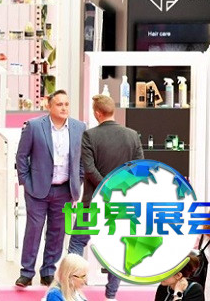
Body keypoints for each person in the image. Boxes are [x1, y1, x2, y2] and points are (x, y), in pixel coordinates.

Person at [68, 94, 143, 300]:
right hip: (121, 202)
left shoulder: (89, 136)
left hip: (92, 201)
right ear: (112, 111)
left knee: (77, 244)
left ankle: (71, 290)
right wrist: (117, 188)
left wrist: (105, 188)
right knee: (116, 249)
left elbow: (89, 168)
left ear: (97, 113)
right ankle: (110, 295)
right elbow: (138, 169)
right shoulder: (132, 135)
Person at [15, 89, 85, 288]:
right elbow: (22, 156)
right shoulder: (35, 126)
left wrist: (78, 180)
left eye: (66, 104)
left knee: (57, 232)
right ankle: (26, 272)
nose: (64, 108)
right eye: (59, 104)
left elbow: (82, 158)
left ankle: (48, 271)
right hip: (37, 189)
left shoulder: (79, 127)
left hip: (64, 189)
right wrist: (25, 181)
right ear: (49, 106)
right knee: (34, 230)